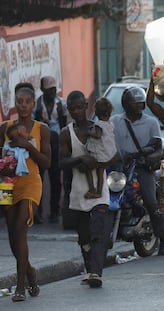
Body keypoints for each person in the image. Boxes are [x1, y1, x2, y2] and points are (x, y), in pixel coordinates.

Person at [0, 82, 51, 302]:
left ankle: (20, 287)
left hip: (31, 183)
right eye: (19, 101)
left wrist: (29, 146)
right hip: (7, 184)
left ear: (33, 104)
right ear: (15, 103)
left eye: (27, 102)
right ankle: (29, 271)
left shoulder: (42, 129)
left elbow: (47, 163)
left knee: (21, 227)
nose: (23, 105)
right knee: (12, 234)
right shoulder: (5, 127)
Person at [59, 91, 114, 288]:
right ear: (69, 110)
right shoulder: (66, 133)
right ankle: (90, 269)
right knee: (84, 236)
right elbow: (61, 162)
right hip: (78, 192)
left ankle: (96, 273)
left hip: (100, 192)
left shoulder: (98, 127)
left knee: (99, 230)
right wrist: (80, 159)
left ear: (87, 105)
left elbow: (114, 154)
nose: (77, 112)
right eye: (73, 109)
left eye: (80, 107)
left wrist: (97, 162)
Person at [111, 86, 164, 256]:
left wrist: (150, 158)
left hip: (142, 168)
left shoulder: (151, 123)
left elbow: (159, 149)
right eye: (134, 103)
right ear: (125, 104)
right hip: (120, 168)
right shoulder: (115, 121)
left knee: (151, 202)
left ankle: (163, 240)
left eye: (140, 103)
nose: (138, 105)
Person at [33, 75, 68, 223]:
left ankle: (55, 210)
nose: (52, 92)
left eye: (54, 89)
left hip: (55, 143)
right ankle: (38, 211)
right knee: (39, 177)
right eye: (49, 90)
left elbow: (63, 124)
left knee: (55, 178)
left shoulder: (61, 104)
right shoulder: (37, 105)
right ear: (42, 90)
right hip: (40, 144)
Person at [84, 97, 117, 198]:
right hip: (109, 154)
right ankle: (99, 192)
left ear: (97, 113)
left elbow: (98, 135)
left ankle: (92, 189)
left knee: (87, 168)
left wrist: (88, 133)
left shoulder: (99, 124)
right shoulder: (110, 124)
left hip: (100, 155)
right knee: (100, 174)